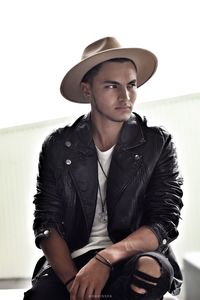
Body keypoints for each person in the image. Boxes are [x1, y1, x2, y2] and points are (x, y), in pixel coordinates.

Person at [24, 37, 183, 300]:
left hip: (135, 254)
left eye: (131, 85)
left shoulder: (157, 142)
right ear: (87, 90)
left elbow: (164, 221)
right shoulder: (58, 146)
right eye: (112, 86)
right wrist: (74, 282)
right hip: (74, 259)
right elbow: (46, 222)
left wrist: (105, 258)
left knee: (150, 271)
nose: (126, 96)